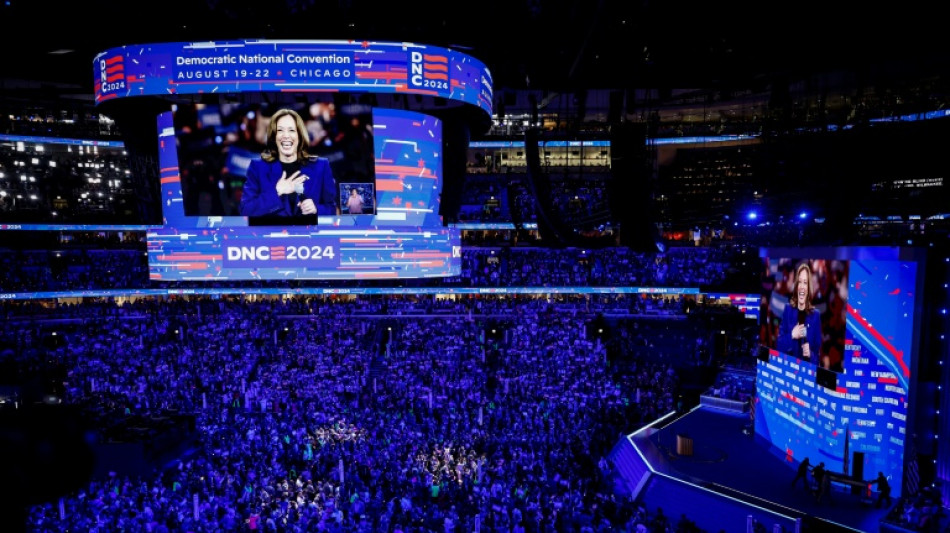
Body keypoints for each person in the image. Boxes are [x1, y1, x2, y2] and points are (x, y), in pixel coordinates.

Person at [239, 108, 337, 217]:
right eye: (280, 130)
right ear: (273, 136)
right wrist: (277, 192)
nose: (286, 135)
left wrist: (316, 209)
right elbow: (245, 211)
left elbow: (332, 210)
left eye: (291, 130)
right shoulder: (258, 167)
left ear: (300, 135)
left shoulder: (321, 166)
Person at [777, 262, 823, 365]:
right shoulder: (787, 310)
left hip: (806, 374)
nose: (802, 286)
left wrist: (810, 354)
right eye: (800, 282)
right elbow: (778, 345)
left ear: (809, 287)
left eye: (805, 283)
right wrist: (792, 335)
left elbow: (818, 358)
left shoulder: (815, 316)